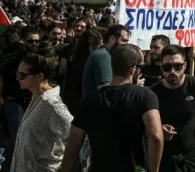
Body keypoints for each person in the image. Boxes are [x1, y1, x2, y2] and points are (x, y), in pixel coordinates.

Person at [61, 44, 164, 172]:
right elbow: (156, 136)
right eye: (141, 67)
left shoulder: (88, 100)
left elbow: (73, 147)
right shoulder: (145, 96)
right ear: (133, 69)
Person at [10, 51, 73, 172]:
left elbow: (75, 136)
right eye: (17, 73)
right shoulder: (36, 97)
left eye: (22, 75)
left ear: (40, 76)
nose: (17, 78)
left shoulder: (53, 105)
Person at [0, 26, 40, 168]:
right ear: (24, 40)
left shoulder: (38, 55)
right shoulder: (17, 53)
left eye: (37, 42)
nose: (34, 44)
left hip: (30, 100)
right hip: (14, 99)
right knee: (17, 135)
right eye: (31, 41)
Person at [81, 24, 130, 98]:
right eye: (124, 41)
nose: (127, 45)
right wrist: (133, 88)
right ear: (112, 39)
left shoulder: (107, 54)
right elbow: (106, 91)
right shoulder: (103, 56)